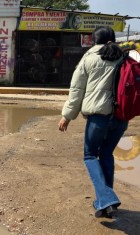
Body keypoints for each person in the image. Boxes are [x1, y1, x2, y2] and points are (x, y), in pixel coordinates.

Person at [58, 26, 128, 219]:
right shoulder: (125, 58)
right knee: (106, 154)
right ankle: (105, 204)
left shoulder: (88, 59)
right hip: (121, 118)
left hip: (99, 117)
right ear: (112, 40)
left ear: (94, 41)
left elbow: (76, 91)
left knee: (90, 156)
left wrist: (67, 116)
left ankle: (106, 198)